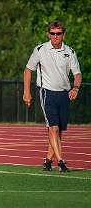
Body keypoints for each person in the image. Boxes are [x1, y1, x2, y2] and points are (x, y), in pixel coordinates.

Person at [23, 20, 82, 172]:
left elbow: (77, 74)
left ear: (63, 34)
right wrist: (27, 92)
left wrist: (75, 88)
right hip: (47, 92)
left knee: (58, 130)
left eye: (58, 33)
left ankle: (48, 161)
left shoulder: (70, 52)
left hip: (64, 94)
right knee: (53, 128)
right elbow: (28, 70)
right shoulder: (40, 49)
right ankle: (61, 161)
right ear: (48, 34)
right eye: (52, 33)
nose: (55, 36)